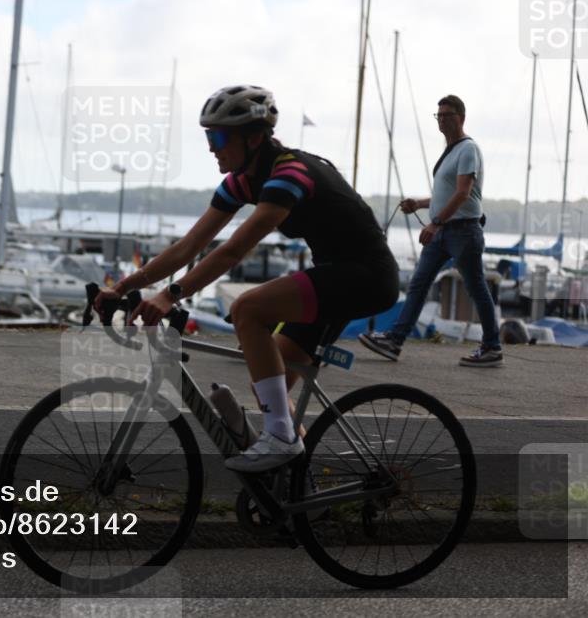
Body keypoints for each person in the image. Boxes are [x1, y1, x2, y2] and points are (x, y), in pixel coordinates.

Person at [94, 85, 399, 473]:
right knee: (266, 380)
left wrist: (170, 295)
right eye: (208, 136)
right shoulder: (244, 180)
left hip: (366, 275)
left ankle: (280, 439)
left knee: (248, 309)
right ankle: (291, 483)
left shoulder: (290, 174)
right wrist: (123, 287)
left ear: (254, 138)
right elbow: (188, 246)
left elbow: (234, 250)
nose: (211, 148)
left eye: (219, 137)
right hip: (335, 276)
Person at [359, 94, 502, 368]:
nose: (442, 120)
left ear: (461, 117)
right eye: (439, 115)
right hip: (445, 231)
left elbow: (463, 194)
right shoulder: (450, 152)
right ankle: (394, 341)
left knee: (476, 288)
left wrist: (435, 222)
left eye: (447, 115)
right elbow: (445, 195)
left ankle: (492, 347)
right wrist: (419, 204)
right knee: (419, 284)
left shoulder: (467, 149)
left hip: (463, 231)